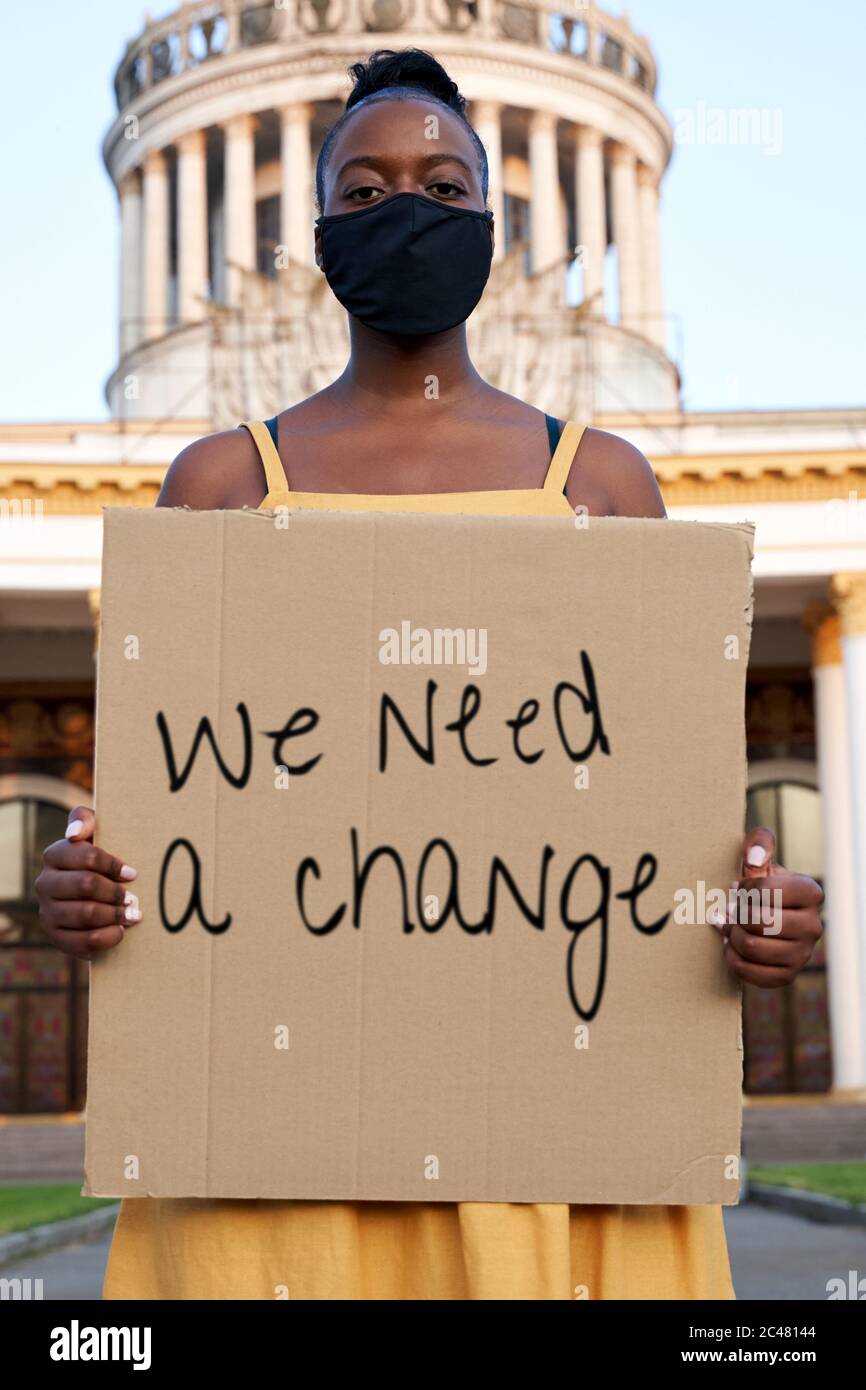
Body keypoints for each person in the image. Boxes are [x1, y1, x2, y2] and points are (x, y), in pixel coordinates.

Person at [36, 48, 823, 1300]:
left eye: (441, 185)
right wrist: (88, 885)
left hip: (553, 1175)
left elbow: (659, 851)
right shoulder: (216, 486)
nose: (404, 210)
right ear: (315, 231)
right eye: (364, 190)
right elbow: (163, 834)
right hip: (267, 1180)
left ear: (493, 225)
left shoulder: (605, 486)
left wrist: (746, 917)